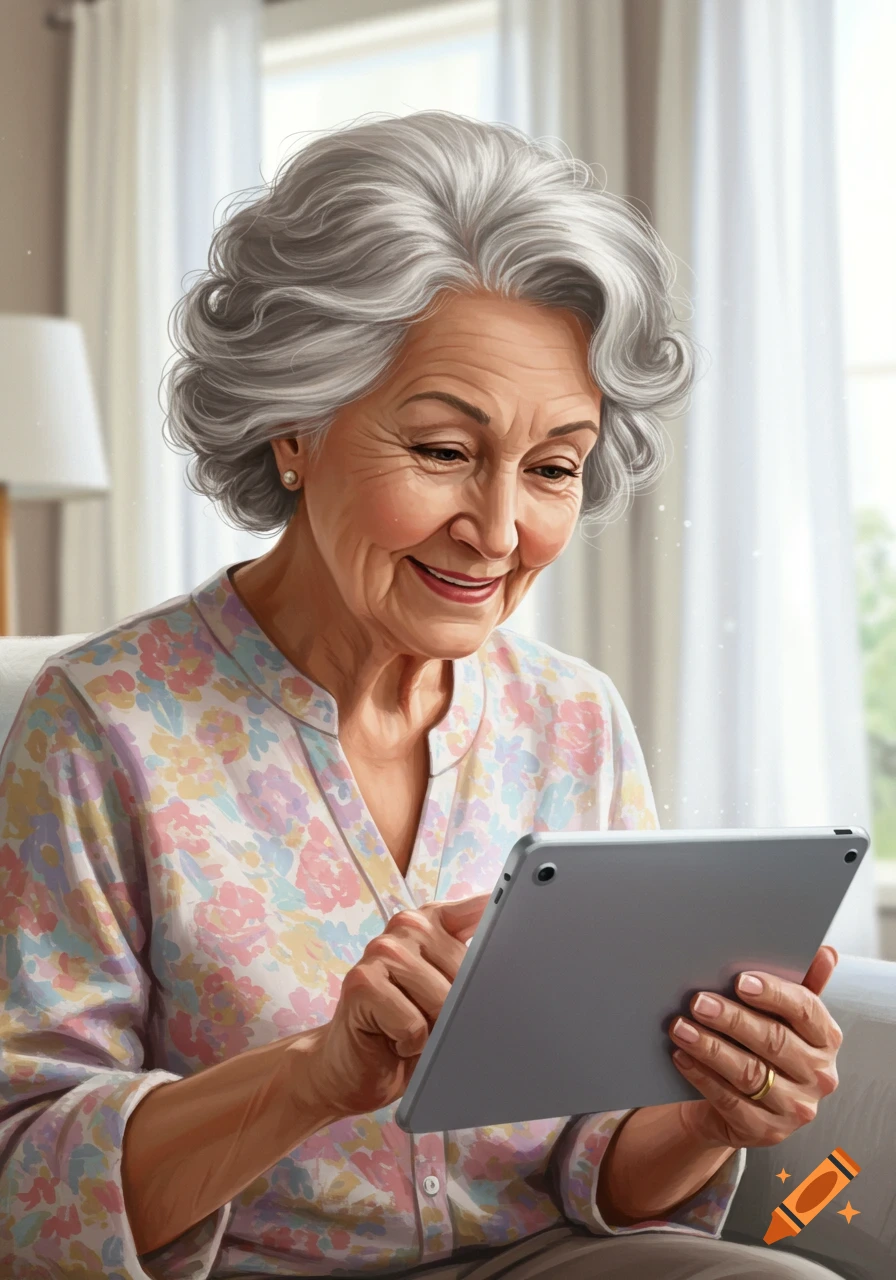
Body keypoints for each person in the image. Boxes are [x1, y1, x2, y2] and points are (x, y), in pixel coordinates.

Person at [0, 112, 844, 1280]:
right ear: (294, 426)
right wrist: (311, 1077)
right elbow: (27, 1179)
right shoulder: (102, 724)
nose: (498, 531)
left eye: (552, 466)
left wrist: (712, 1106)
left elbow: (601, 1155)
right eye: (444, 450)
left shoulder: (573, 718)